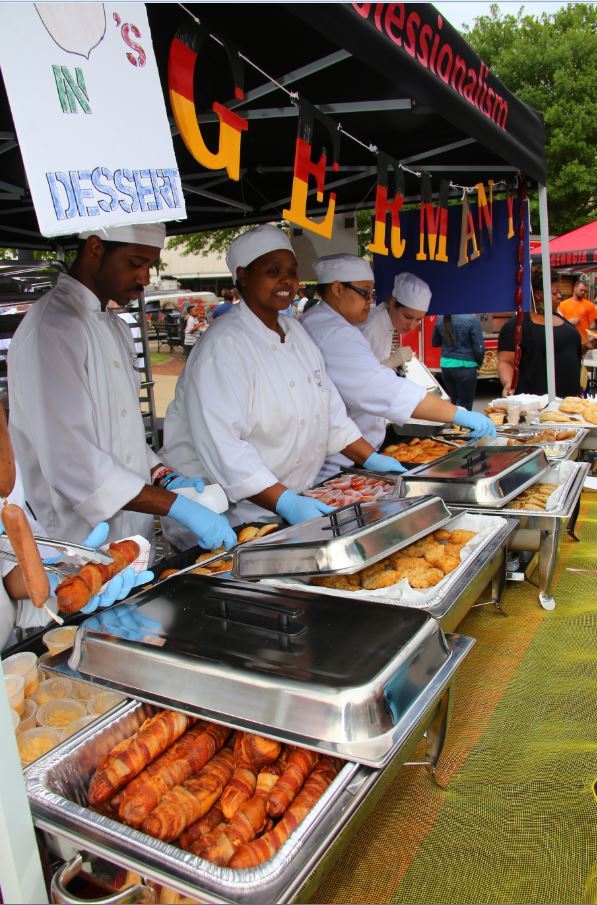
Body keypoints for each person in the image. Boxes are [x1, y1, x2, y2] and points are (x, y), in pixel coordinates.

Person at [7, 223, 236, 555]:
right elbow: (73, 463)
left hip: (134, 536)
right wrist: (176, 506)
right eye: (135, 263)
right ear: (96, 248)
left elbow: (123, 433)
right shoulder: (51, 330)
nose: (144, 277)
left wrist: (163, 476)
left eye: (149, 266)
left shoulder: (115, 327)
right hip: (76, 545)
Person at [161, 226, 404, 526]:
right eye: (273, 271)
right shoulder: (223, 346)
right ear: (244, 276)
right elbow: (224, 447)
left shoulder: (296, 333)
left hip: (290, 500)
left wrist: (370, 459)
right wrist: (284, 501)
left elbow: (329, 413)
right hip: (229, 515)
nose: (287, 280)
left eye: (291, 271)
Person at [301, 256, 496, 479]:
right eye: (365, 293)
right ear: (337, 289)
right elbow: (378, 387)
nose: (370, 301)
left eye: (371, 293)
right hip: (338, 458)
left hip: (352, 446)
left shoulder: (328, 322)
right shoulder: (334, 331)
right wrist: (456, 414)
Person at [498, 271, 582, 397]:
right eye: (554, 293)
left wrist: (586, 345)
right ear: (538, 294)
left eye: (560, 292)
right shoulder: (517, 326)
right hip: (536, 403)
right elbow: (506, 362)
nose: (560, 296)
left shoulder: (561, 318)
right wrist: (509, 383)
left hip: (569, 401)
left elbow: (564, 348)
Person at [360, 272, 429, 368]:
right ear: (392, 302)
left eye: (418, 320)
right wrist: (391, 362)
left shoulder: (386, 322)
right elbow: (360, 376)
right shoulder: (371, 327)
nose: (411, 326)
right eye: (407, 317)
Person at [431, 314, 486, 410]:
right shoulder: (472, 319)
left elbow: (435, 342)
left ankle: (454, 424)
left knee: (454, 402)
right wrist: (478, 363)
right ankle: (461, 425)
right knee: (465, 406)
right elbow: (479, 349)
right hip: (466, 366)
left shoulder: (440, 318)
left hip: (446, 366)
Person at [557, 278, 596, 348]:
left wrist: (590, 339)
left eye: (585, 291)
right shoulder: (562, 305)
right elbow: (557, 323)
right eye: (581, 290)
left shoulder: (590, 305)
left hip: (584, 343)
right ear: (574, 288)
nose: (583, 292)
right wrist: (569, 322)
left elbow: (592, 324)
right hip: (567, 342)